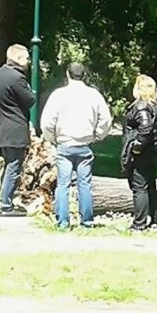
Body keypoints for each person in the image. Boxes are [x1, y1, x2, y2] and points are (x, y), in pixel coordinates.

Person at [41, 62, 112, 228]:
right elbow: (106, 120)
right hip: (84, 145)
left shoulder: (58, 95)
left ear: (67, 74)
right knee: (85, 185)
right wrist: (97, 135)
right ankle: (87, 220)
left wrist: (52, 138)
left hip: (64, 144)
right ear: (84, 75)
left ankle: (63, 221)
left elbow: (47, 122)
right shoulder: (94, 95)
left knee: (62, 184)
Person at [0, 44, 35, 217]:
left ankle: (5, 198)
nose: (29, 62)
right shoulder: (17, 78)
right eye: (27, 58)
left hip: (1, 127)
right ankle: (6, 205)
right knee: (14, 167)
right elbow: (30, 100)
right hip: (15, 129)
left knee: (9, 164)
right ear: (18, 58)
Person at [121, 74, 157, 231]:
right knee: (151, 186)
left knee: (139, 187)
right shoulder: (155, 106)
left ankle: (139, 224)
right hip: (154, 151)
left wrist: (136, 147)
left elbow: (145, 128)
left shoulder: (141, 106)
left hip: (144, 152)